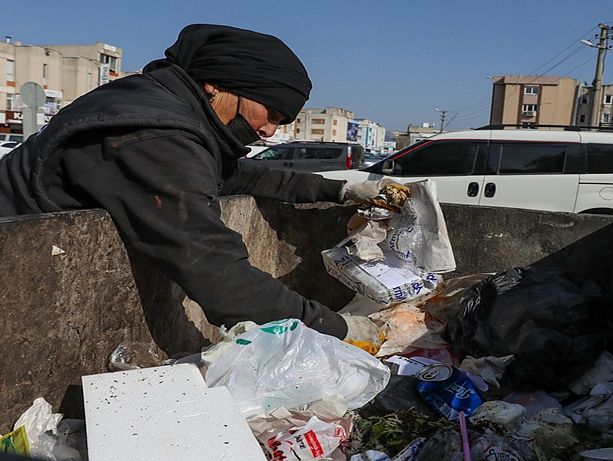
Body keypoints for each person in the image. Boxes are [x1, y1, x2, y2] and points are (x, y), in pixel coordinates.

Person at [0, 24, 384, 343]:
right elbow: (217, 272)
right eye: (272, 113)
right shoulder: (152, 135)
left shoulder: (166, 107)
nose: (269, 131)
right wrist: (337, 328)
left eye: (281, 124)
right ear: (219, 84)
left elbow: (238, 174)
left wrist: (339, 190)